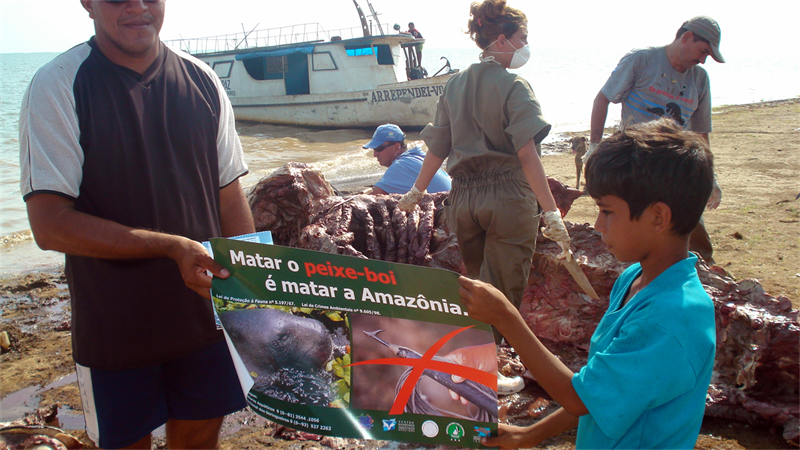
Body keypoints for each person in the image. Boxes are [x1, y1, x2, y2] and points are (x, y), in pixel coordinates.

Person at [19, 1, 254, 449]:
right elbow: (49, 224)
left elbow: (229, 194)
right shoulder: (58, 83)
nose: (137, 8)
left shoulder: (202, 80)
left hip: (205, 320)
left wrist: (255, 289)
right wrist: (172, 247)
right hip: (114, 329)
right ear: (87, 3)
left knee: (201, 435)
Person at [458, 118, 717, 449]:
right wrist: (530, 434)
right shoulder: (634, 280)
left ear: (657, 217)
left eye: (607, 211)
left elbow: (580, 399)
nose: (598, 225)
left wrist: (506, 316)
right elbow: (601, 392)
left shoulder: (669, 319)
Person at [586, 16, 725, 265]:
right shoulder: (642, 60)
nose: (703, 60)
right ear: (686, 37)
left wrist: (709, 175)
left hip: (675, 167)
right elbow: (603, 99)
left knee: (693, 234)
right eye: (703, 51)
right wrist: (594, 145)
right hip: (634, 164)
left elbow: (700, 131)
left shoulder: (700, 79)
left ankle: (706, 287)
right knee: (632, 233)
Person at [362, 124, 451, 195]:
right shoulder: (420, 156)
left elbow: (372, 195)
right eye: (374, 149)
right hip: (454, 200)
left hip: (444, 209)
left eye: (378, 149)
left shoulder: (400, 166)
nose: (375, 154)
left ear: (397, 147)